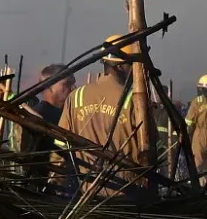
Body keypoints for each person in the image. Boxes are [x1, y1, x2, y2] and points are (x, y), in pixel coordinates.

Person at [52, 35, 150, 193]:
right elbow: (149, 150)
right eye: (132, 65)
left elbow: (61, 148)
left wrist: (56, 183)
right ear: (120, 66)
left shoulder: (76, 96)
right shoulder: (136, 101)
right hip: (126, 197)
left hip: (86, 192)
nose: (135, 71)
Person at [21, 64, 74, 190]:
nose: (73, 88)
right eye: (67, 84)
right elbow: (29, 158)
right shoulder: (38, 116)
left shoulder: (66, 114)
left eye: (73, 83)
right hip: (43, 188)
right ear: (49, 86)